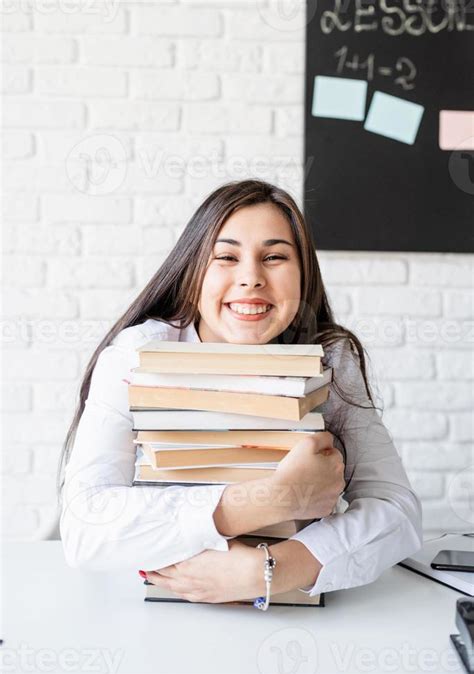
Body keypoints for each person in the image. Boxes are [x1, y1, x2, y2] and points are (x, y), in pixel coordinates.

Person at [58, 179, 422, 604]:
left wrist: (273, 569)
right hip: (157, 615)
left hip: (300, 617)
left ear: (303, 275)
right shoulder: (137, 357)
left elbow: (396, 509)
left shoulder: (329, 361)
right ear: (193, 272)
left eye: (274, 257)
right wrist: (271, 499)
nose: (251, 278)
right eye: (226, 257)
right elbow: (84, 528)